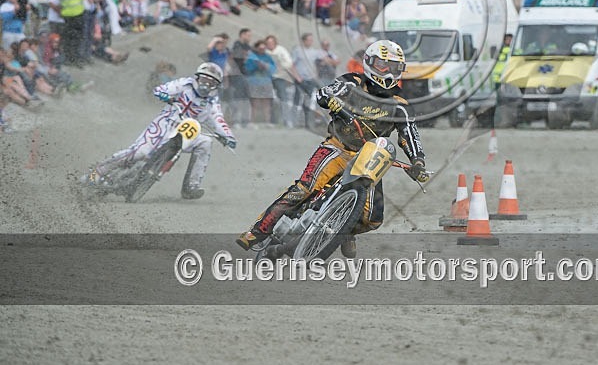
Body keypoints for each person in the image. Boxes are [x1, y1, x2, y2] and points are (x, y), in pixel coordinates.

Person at [236, 40, 427, 256]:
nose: (389, 73)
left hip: (372, 159)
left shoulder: (400, 104)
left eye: (394, 68)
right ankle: (258, 231)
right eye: (384, 66)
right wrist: (331, 100)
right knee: (303, 189)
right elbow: (322, 94)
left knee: (373, 219)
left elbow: (410, 134)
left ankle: (344, 229)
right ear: (370, 63)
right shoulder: (351, 82)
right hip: (337, 148)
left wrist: (417, 161)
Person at [83, 63, 235, 198]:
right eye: (204, 80)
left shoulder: (212, 101)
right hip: (165, 124)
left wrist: (228, 137)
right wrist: (163, 94)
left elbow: (218, 119)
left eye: (211, 83)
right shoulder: (185, 84)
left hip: (187, 132)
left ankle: (191, 185)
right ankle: (97, 172)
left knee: (206, 142)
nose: (206, 85)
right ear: (197, 78)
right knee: (139, 153)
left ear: (216, 86)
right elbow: (164, 88)